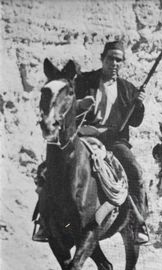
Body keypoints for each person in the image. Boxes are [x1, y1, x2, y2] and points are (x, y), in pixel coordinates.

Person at [33, 41, 149, 244]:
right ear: (102, 58)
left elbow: (136, 121)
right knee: (46, 170)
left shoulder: (127, 89)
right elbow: (66, 104)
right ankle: (44, 221)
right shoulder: (84, 81)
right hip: (84, 136)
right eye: (110, 58)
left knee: (135, 172)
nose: (114, 63)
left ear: (123, 63)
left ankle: (138, 223)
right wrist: (80, 104)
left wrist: (138, 104)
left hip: (115, 142)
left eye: (118, 60)